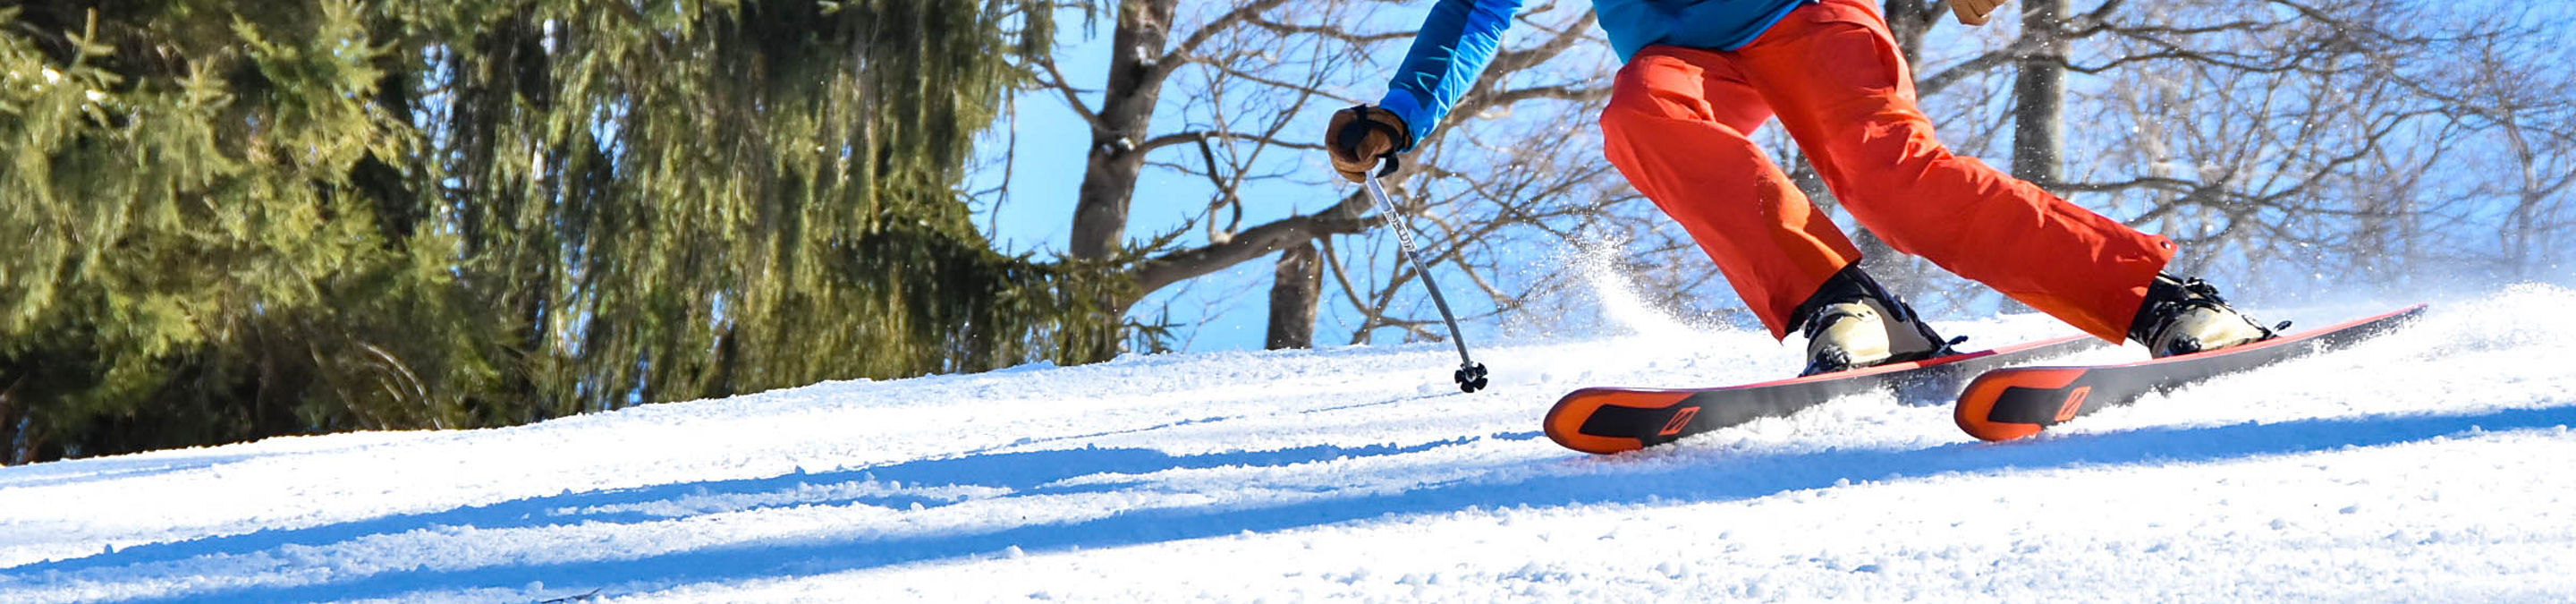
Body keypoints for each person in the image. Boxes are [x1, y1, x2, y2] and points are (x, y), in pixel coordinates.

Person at [1325, 0, 2275, 376]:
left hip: (1807, 16)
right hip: (1685, 56)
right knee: (1640, 116)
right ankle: (1845, 306)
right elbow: (1476, 8)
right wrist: (1405, 110)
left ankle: (2162, 300)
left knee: (1888, 179)